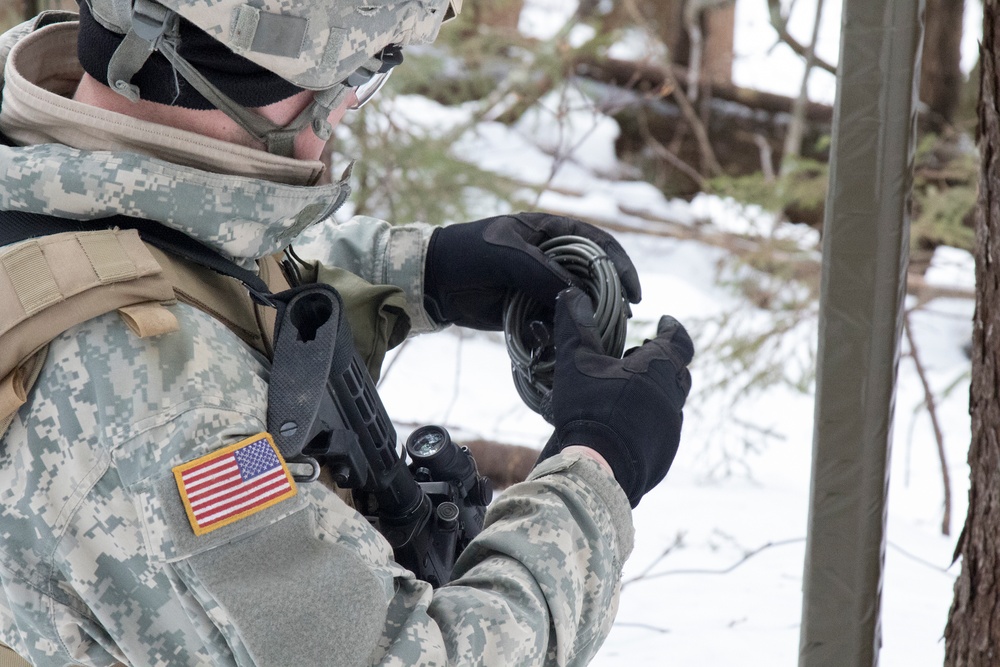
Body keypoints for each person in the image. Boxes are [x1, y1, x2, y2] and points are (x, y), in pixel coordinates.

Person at [0, 0, 694, 665]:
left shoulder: (36, 173)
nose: (344, 109)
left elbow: (162, 258)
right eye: (354, 77)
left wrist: (420, 273)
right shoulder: (172, 426)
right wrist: (599, 465)